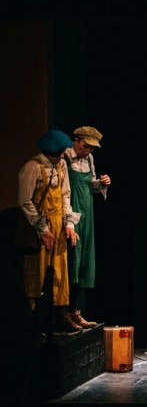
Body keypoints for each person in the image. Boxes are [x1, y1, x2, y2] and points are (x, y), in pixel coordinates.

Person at [18, 130, 81, 336]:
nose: (62, 155)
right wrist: (42, 228)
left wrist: (69, 224)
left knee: (60, 273)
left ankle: (60, 320)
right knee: (38, 273)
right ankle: (36, 324)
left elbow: (65, 195)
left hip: (58, 225)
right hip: (39, 227)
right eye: (60, 152)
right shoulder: (32, 167)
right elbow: (25, 201)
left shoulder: (60, 165)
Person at [64, 126, 111, 329]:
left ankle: (74, 312)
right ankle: (63, 315)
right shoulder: (65, 157)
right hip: (71, 213)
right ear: (76, 140)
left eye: (91, 148)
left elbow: (90, 187)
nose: (88, 151)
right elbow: (64, 191)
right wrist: (69, 220)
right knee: (71, 262)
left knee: (83, 263)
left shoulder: (89, 159)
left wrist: (102, 183)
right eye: (85, 146)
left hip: (87, 213)